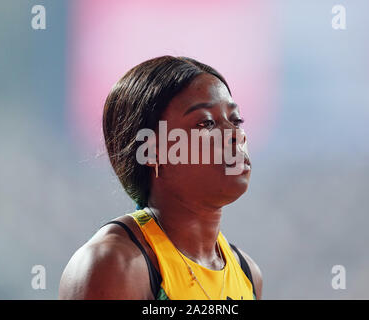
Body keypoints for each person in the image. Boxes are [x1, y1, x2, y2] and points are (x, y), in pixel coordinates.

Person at [59, 56, 263, 300]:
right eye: (206, 123)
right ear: (152, 150)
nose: (235, 135)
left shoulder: (248, 274)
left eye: (236, 120)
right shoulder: (114, 265)